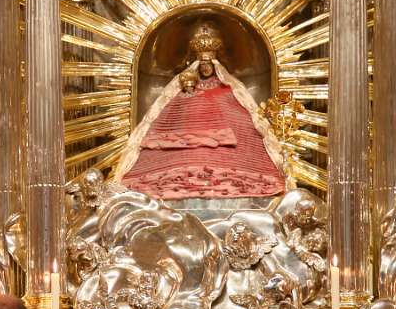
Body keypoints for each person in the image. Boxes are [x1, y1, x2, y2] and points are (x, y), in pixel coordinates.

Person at [114, 25, 287, 201]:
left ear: (214, 64)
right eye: (202, 65)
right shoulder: (183, 90)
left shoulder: (229, 89)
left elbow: (241, 117)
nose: (205, 68)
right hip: (184, 148)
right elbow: (171, 114)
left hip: (225, 151)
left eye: (208, 64)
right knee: (182, 162)